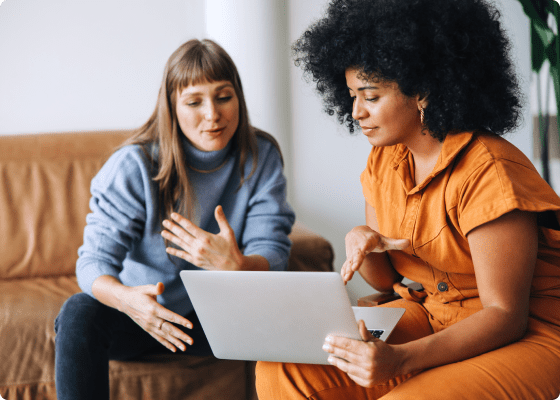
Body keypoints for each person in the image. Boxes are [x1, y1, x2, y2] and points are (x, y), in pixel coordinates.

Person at [256, 0, 560, 399]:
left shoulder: (490, 170)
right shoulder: (384, 159)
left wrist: (401, 360)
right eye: (351, 95)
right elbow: (384, 280)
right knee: (285, 368)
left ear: (424, 91)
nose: (356, 112)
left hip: (530, 332)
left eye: (371, 95)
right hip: (431, 313)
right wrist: (363, 242)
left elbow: (504, 315)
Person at [54, 38, 295, 399]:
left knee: (306, 311)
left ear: (239, 99)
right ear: (172, 107)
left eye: (223, 96)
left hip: (222, 317)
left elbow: (273, 248)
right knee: (78, 313)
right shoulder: (134, 166)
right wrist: (127, 301)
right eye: (194, 101)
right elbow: (93, 263)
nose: (212, 114)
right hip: (143, 315)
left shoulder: (261, 154)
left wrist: (238, 265)